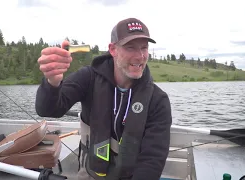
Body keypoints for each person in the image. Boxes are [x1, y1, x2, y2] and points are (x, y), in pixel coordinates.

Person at [35, 17, 172, 180]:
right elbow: (48, 109)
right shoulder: (88, 78)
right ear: (113, 49)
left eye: (144, 48)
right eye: (130, 48)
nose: (140, 56)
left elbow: (152, 160)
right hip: (90, 173)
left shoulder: (158, 99)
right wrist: (52, 81)